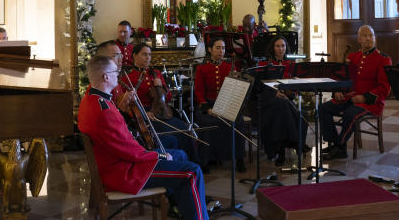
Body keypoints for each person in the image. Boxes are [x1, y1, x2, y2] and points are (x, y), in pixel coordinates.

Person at [78, 55, 231, 220]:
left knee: (180, 155)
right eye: (115, 73)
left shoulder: (91, 99)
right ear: (106, 77)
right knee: (191, 172)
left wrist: (157, 153)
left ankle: (188, 218)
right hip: (124, 172)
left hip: (117, 163)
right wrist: (158, 154)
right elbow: (128, 150)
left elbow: (122, 143)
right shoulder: (104, 110)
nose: (118, 76)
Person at [119, 42, 202, 166]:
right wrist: (143, 114)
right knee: (171, 133)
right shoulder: (127, 78)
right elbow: (126, 105)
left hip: (162, 111)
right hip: (145, 114)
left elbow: (167, 98)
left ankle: (192, 163)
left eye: (150, 55)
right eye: (144, 54)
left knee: (185, 129)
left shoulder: (156, 73)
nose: (148, 57)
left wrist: (161, 87)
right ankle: (176, 164)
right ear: (135, 56)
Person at [319, 25, 391, 159]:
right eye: (364, 35)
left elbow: (384, 87)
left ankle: (340, 147)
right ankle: (334, 142)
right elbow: (344, 78)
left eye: (371, 35)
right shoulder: (353, 57)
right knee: (323, 108)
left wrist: (364, 97)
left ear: (375, 38)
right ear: (358, 39)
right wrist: (338, 92)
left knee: (349, 113)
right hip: (350, 97)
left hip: (370, 103)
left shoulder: (383, 59)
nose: (368, 38)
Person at [194, 38, 246, 172]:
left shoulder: (229, 67)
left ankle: (239, 158)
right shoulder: (202, 68)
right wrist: (208, 108)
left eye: (223, 48)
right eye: (217, 48)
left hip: (226, 103)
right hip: (208, 105)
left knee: (238, 121)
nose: (221, 51)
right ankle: (206, 160)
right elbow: (199, 92)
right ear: (210, 49)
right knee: (207, 124)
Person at [256, 35, 309, 165]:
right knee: (282, 105)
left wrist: (289, 92)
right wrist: (275, 93)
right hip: (268, 101)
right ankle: (297, 143)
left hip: (285, 100)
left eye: (283, 46)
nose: (281, 49)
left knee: (283, 107)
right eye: (277, 46)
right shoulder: (264, 64)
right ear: (272, 48)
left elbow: (295, 86)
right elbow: (259, 87)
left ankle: (281, 152)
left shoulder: (291, 64)